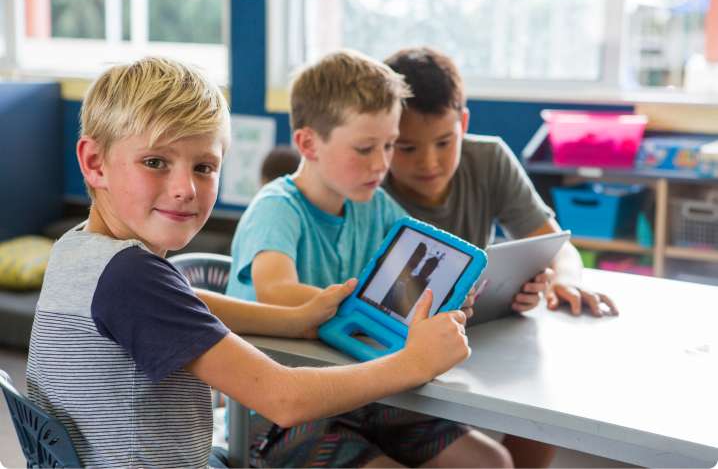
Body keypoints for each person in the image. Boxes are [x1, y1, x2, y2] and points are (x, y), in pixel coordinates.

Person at [25, 56, 474, 468]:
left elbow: (186, 302)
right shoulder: (132, 277)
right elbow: (283, 399)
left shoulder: (79, 250)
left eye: (203, 167)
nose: (186, 188)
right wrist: (414, 363)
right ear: (94, 162)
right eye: (156, 162)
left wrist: (295, 320)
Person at [227, 50, 512, 468]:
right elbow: (276, 290)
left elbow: (414, 289)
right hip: (279, 412)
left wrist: (446, 302)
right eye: (364, 149)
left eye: (389, 146)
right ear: (308, 143)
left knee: (492, 462)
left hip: (362, 390)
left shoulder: (376, 206)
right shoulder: (277, 208)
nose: (382, 164)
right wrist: (365, 304)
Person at [383, 46, 619, 467]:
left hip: (476, 338)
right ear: (384, 135)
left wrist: (561, 280)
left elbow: (557, 246)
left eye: (443, 141)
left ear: (464, 123)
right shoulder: (370, 182)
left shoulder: (488, 157)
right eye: (406, 148)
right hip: (399, 354)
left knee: (546, 404)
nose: (430, 162)